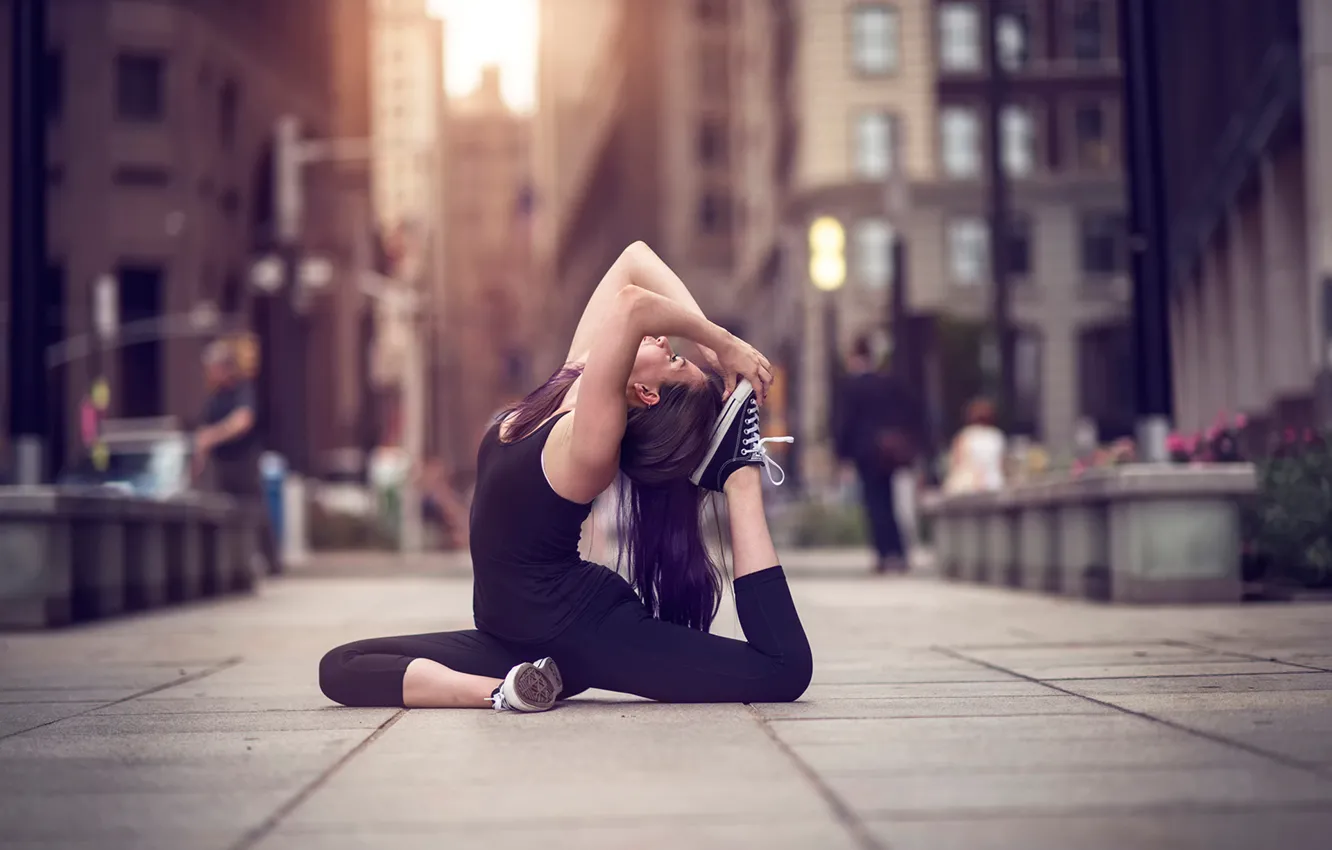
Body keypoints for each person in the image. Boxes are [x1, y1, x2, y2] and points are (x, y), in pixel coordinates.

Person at [318, 241, 811, 712]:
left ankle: (736, 473)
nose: (666, 339)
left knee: (782, 670)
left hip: (582, 630)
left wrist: (719, 343)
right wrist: (711, 348)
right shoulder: (570, 383)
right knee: (341, 666)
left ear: (646, 392)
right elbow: (633, 259)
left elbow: (634, 305)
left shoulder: (593, 440)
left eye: (672, 357)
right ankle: (508, 691)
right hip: (515, 639)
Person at [832, 335, 923, 574]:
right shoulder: (889, 382)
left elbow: (846, 422)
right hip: (889, 452)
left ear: (854, 358)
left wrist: (842, 455)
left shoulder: (853, 386)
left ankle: (884, 554)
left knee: (874, 504)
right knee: (890, 501)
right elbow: (910, 411)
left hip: (865, 453)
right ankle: (899, 553)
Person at [195, 340, 280, 574]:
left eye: (212, 368)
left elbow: (243, 420)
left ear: (224, 368)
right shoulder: (214, 398)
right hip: (222, 464)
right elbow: (203, 433)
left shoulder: (242, 390)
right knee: (226, 514)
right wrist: (200, 454)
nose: (209, 374)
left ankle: (271, 562)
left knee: (255, 510)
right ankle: (234, 563)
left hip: (244, 461)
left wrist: (213, 436)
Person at [944, 398, 1006, 493]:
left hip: (970, 487)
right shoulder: (997, 436)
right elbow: (1000, 464)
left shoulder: (965, 435)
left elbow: (957, 463)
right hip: (994, 483)